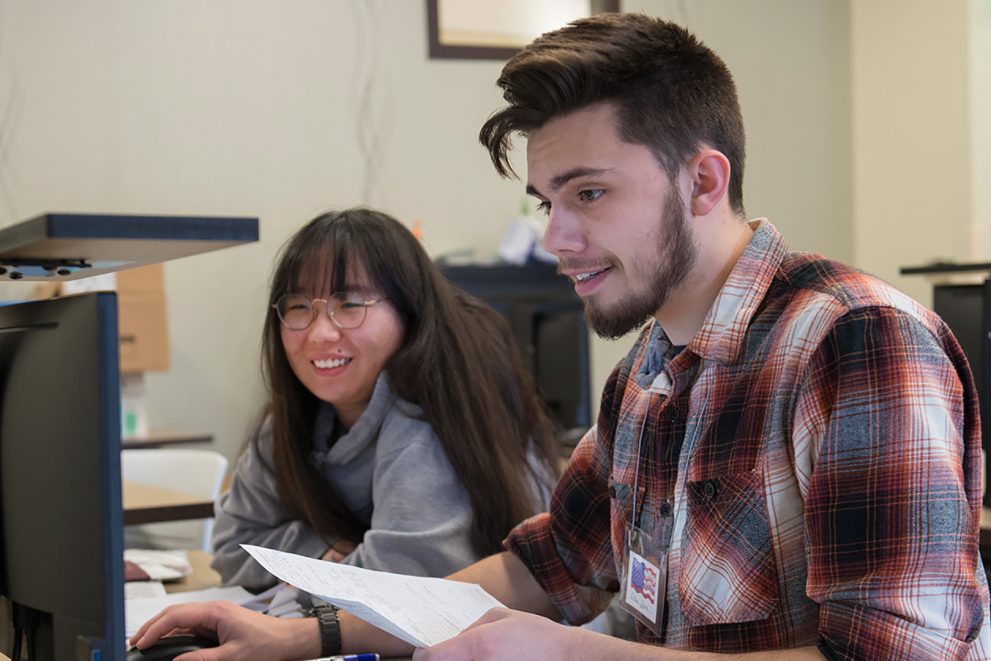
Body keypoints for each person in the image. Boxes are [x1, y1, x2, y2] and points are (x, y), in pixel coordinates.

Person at [130, 13, 991, 659]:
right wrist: (302, 638)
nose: (553, 239)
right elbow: (541, 569)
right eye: (547, 202)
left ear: (702, 179)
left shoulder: (855, 342)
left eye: (587, 194)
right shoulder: (647, 376)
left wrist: (576, 652)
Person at [210, 207, 560, 592]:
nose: (320, 333)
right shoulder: (290, 421)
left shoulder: (428, 411)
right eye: (298, 307)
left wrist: (310, 568)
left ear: (409, 312)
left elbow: (398, 582)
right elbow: (231, 549)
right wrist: (323, 550)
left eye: (350, 304)